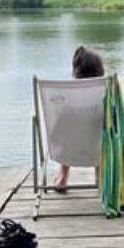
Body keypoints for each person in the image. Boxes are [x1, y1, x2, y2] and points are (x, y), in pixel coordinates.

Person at [52, 45, 105, 193]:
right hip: (98, 147)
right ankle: (100, 176)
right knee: (100, 130)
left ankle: (62, 178)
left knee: (66, 131)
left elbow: (57, 129)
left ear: (77, 70)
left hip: (69, 149)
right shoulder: (105, 92)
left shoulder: (67, 95)